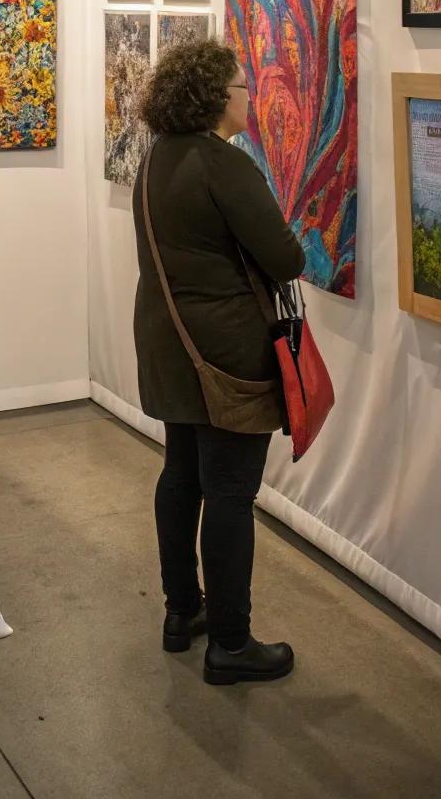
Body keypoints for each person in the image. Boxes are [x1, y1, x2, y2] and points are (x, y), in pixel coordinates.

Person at [133, 38, 306, 687]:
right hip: (226, 355)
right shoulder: (225, 166)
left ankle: (184, 613)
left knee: (181, 476)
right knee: (231, 493)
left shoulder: (156, 158)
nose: (249, 95)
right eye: (241, 86)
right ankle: (231, 644)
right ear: (214, 96)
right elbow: (286, 259)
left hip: (168, 346)